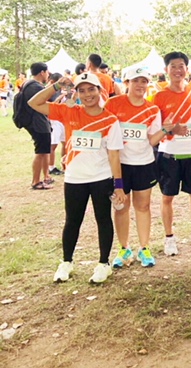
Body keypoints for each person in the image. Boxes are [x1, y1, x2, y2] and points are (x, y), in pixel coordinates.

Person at [28, 72, 126, 284]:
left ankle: (103, 264)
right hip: (74, 178)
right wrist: (56, 86)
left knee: (103, 219)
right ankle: (66, 262)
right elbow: (34, 103)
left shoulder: (110, 120)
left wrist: (118, 185)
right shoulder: (68, 111)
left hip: (101, 177)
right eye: (82, 90)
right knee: (72, 220)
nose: (87, 94)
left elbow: (114, 155)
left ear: (100, 91)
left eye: (91, 89)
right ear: (77, 93)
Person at [106, 67, 170, 268]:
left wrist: (166, 129)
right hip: (120, 165)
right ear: (127, 83)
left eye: (144, 81)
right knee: (121, 207)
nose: (140, 85)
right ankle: (124, 249)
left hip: (144, 164)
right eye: (136, 81)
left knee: (143, 207)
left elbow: (151, 140)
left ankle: (144, 248)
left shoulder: (152, 110)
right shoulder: (113, 104)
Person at [153, 51, 191, 256]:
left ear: (187, 69)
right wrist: (171, 130)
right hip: (169, 154)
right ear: (166, 70)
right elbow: (155, 127)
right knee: (167, 198)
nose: (177, 70)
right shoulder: (159, 96)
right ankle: (169, 238)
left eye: (181, 66)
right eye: (173, 66)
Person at [21, 63, 53, 190]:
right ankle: (36, 181)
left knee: (44, 150)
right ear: (42, 72)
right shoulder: (34, 87)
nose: (48, 75)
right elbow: (47, 103)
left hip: (38, 122)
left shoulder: (29, 84)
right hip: (38, 123)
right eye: (47, 72)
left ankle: (46, 176)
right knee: (40, 152)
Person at [47, 72, 67, 176]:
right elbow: (51, 105)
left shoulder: (62, 90)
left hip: (63, 119)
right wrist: (62, 96)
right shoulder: (49, 91)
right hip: (54, 120)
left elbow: (68, 104)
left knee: (65, 142)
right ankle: (51, 166)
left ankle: (64, 164)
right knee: (53, 144)